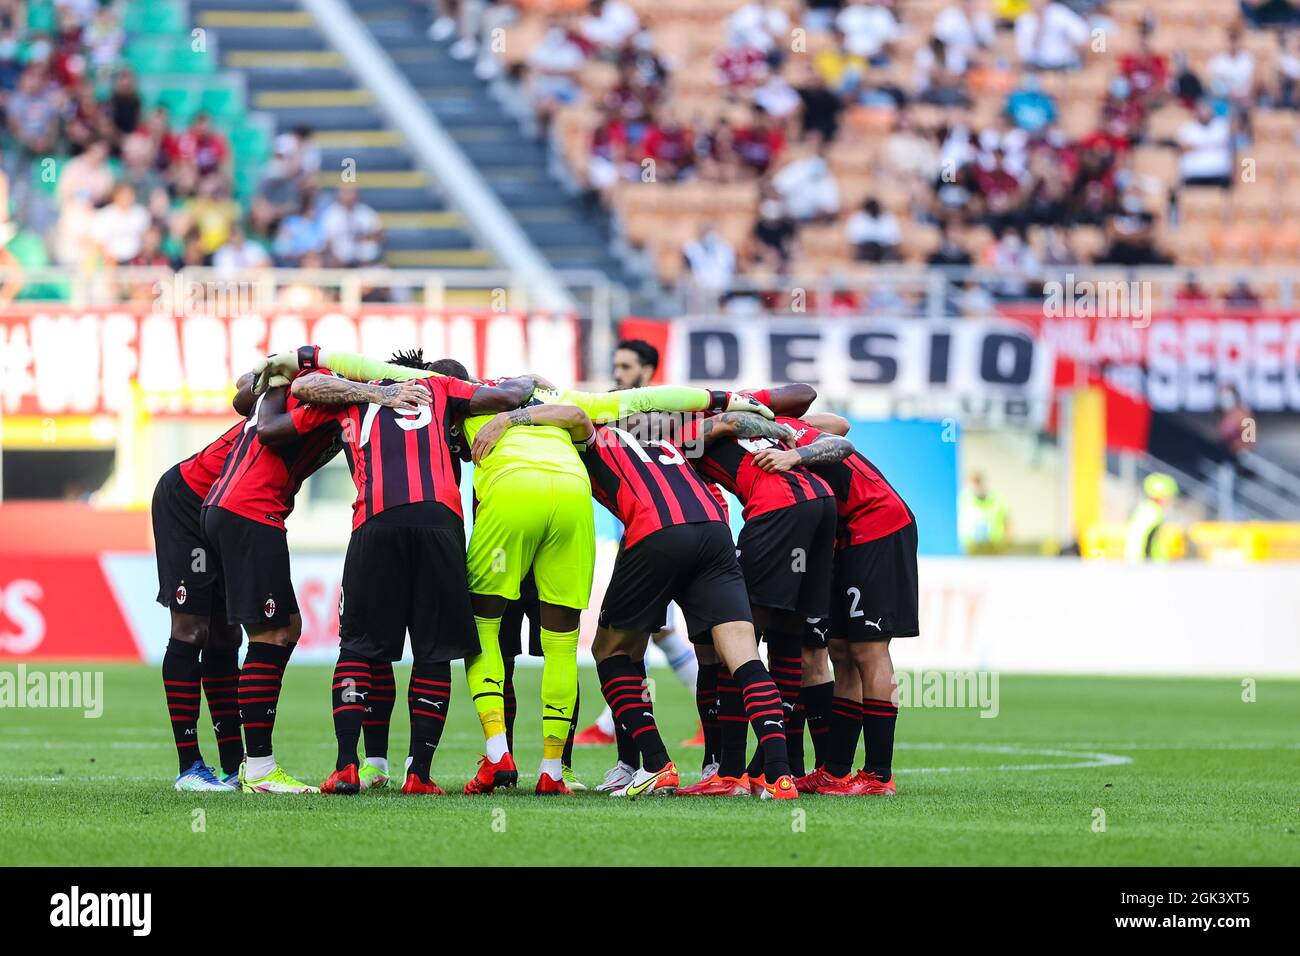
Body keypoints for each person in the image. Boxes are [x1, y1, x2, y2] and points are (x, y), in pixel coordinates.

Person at [473, 405, 800, 799]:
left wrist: (511, 419)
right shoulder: (668, 440)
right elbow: (726, 424)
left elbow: (576, 414)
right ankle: (779, 776)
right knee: (744, 658)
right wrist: (783, 431)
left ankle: (657, 763)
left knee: (609, 652)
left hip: (655, 531)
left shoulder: (597, 434)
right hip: (714, 533)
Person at [287, 360, 535, 795]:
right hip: (440, 523)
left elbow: (305, 385)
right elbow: (509, 395)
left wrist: (370, 394)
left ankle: (347, 764)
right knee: (434, 652)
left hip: (376, 521)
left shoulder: (351, 392)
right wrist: (531, 380)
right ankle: (418, 773)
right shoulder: (439, 388)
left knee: (359, 648)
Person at [200, 362, 356, 793]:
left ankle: (255, 764)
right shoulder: (314, 406)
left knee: (286, 627)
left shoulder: (287, 394)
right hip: (250, 512)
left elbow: (243, 394)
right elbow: (267, 419)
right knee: (270, 635)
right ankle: (261, 770)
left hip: (233, 510)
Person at [673, 396, 839, 796]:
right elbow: (837, 427)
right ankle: (772, 770)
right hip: (821, 504)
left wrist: (743, 414)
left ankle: (732, 772)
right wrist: (776, 425)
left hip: (775, 510)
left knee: (737, 642)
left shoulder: (685, 435)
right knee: (788, 638)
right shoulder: (758, 423)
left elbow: (723, 426)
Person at [747, 410, 918, 796]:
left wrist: (791, 448)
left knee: (868, 650)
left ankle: (878, 775)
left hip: (879, 523)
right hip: (849, 535)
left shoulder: (790, 438)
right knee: (840, 649)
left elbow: (842, 437)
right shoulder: (776, 434)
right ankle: (836, 771)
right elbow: (838, 423)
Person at [154, 374, 257, 792]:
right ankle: (189, 767)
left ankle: (234, 766)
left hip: (227, 511)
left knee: (226, 633)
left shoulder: (330, 424)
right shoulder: (299, 397)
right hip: (188, 501)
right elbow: (243, 392)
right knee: (191, 628)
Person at [960, 473, 1011, 554]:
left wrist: (1008, 542)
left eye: (978, 482)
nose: (976, 486)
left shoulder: (997, 499)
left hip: (994, 546)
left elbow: (1007, 522)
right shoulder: (964, 499)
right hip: (972, 547)